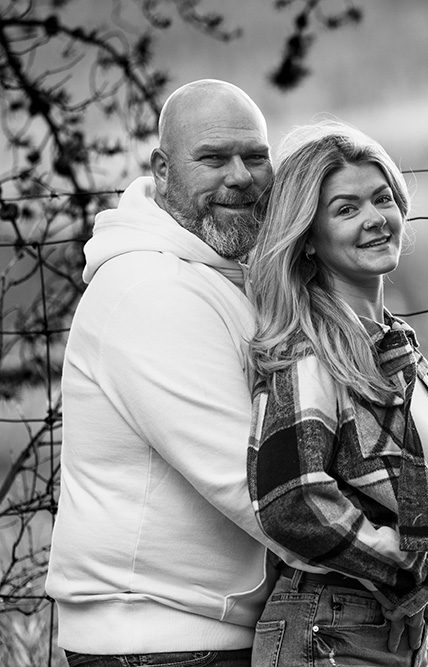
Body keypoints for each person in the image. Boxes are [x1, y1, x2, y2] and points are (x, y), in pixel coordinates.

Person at [44, 79, 275, 667]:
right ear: (163, 170)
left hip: (199, 631)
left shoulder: (230, 276)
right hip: (159, 642)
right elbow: (251, 482)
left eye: (254, 156)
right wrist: (400, 558)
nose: (240, 177)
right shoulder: (151, 289)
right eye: (213, 158)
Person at [245, 122, 428, 666]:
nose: (375, 218)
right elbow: (292, 498)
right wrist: (411, 568)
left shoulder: (396, 348)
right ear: (308, 237)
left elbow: (404, 483)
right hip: (326, 632)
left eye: (382, 199)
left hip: (391, 630)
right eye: (346, 209)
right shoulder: (308, 351)